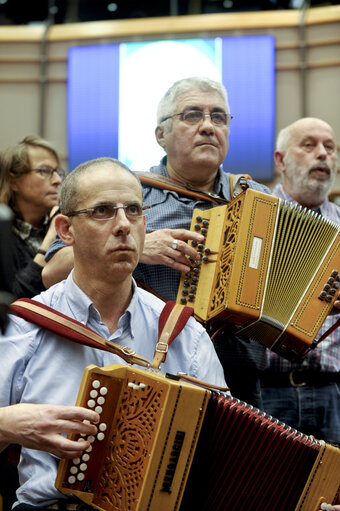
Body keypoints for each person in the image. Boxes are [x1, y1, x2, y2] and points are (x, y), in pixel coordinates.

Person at [0, 156, 226, 508]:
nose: (123, 225)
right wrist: (6, 426)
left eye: (134, 210)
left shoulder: (185, 334)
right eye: (103, 211)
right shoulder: (25, 328)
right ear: (65, 230)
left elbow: (226, 451)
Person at [42, 77, 273, 407]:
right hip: (149, 373)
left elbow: (298, 272)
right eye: (192, 115)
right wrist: (140, 246)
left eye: (219, 117)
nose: (208, 126)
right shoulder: (130, 194)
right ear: (160, 135)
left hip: (245, 380)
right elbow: (51, 273)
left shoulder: (257, 199)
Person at [260, 117, 340, 443]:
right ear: (281, 161)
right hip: (264, 391)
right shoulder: (256, 219)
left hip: (333, 392)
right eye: (308, 145)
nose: (322, 154)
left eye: (329, 147)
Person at [0, 135, 64, 298]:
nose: (57, 180)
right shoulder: (3, 233)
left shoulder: (66, 224)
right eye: (45, 171)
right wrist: (51, 236)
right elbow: (14, 300)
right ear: (14, 181)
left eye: (57, 172)